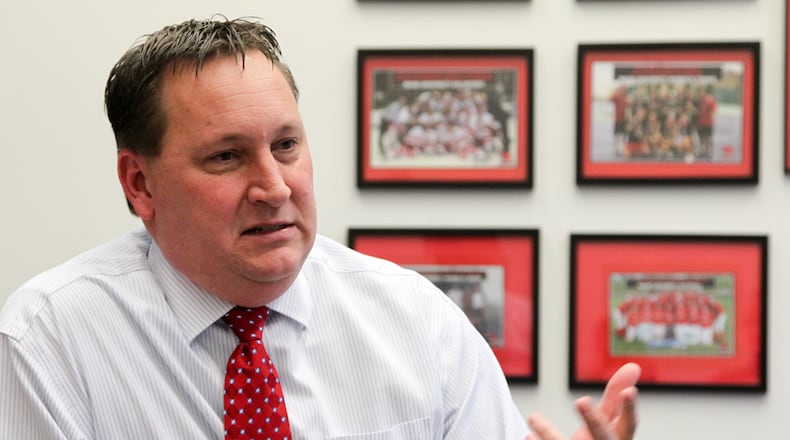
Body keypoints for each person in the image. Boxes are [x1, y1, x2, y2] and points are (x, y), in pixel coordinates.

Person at [0, 17, 639, 439]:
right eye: (226, 156)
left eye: (286, 146)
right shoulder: (50, 337)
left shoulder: (417, 321)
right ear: (139, 185)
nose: (273, 187)